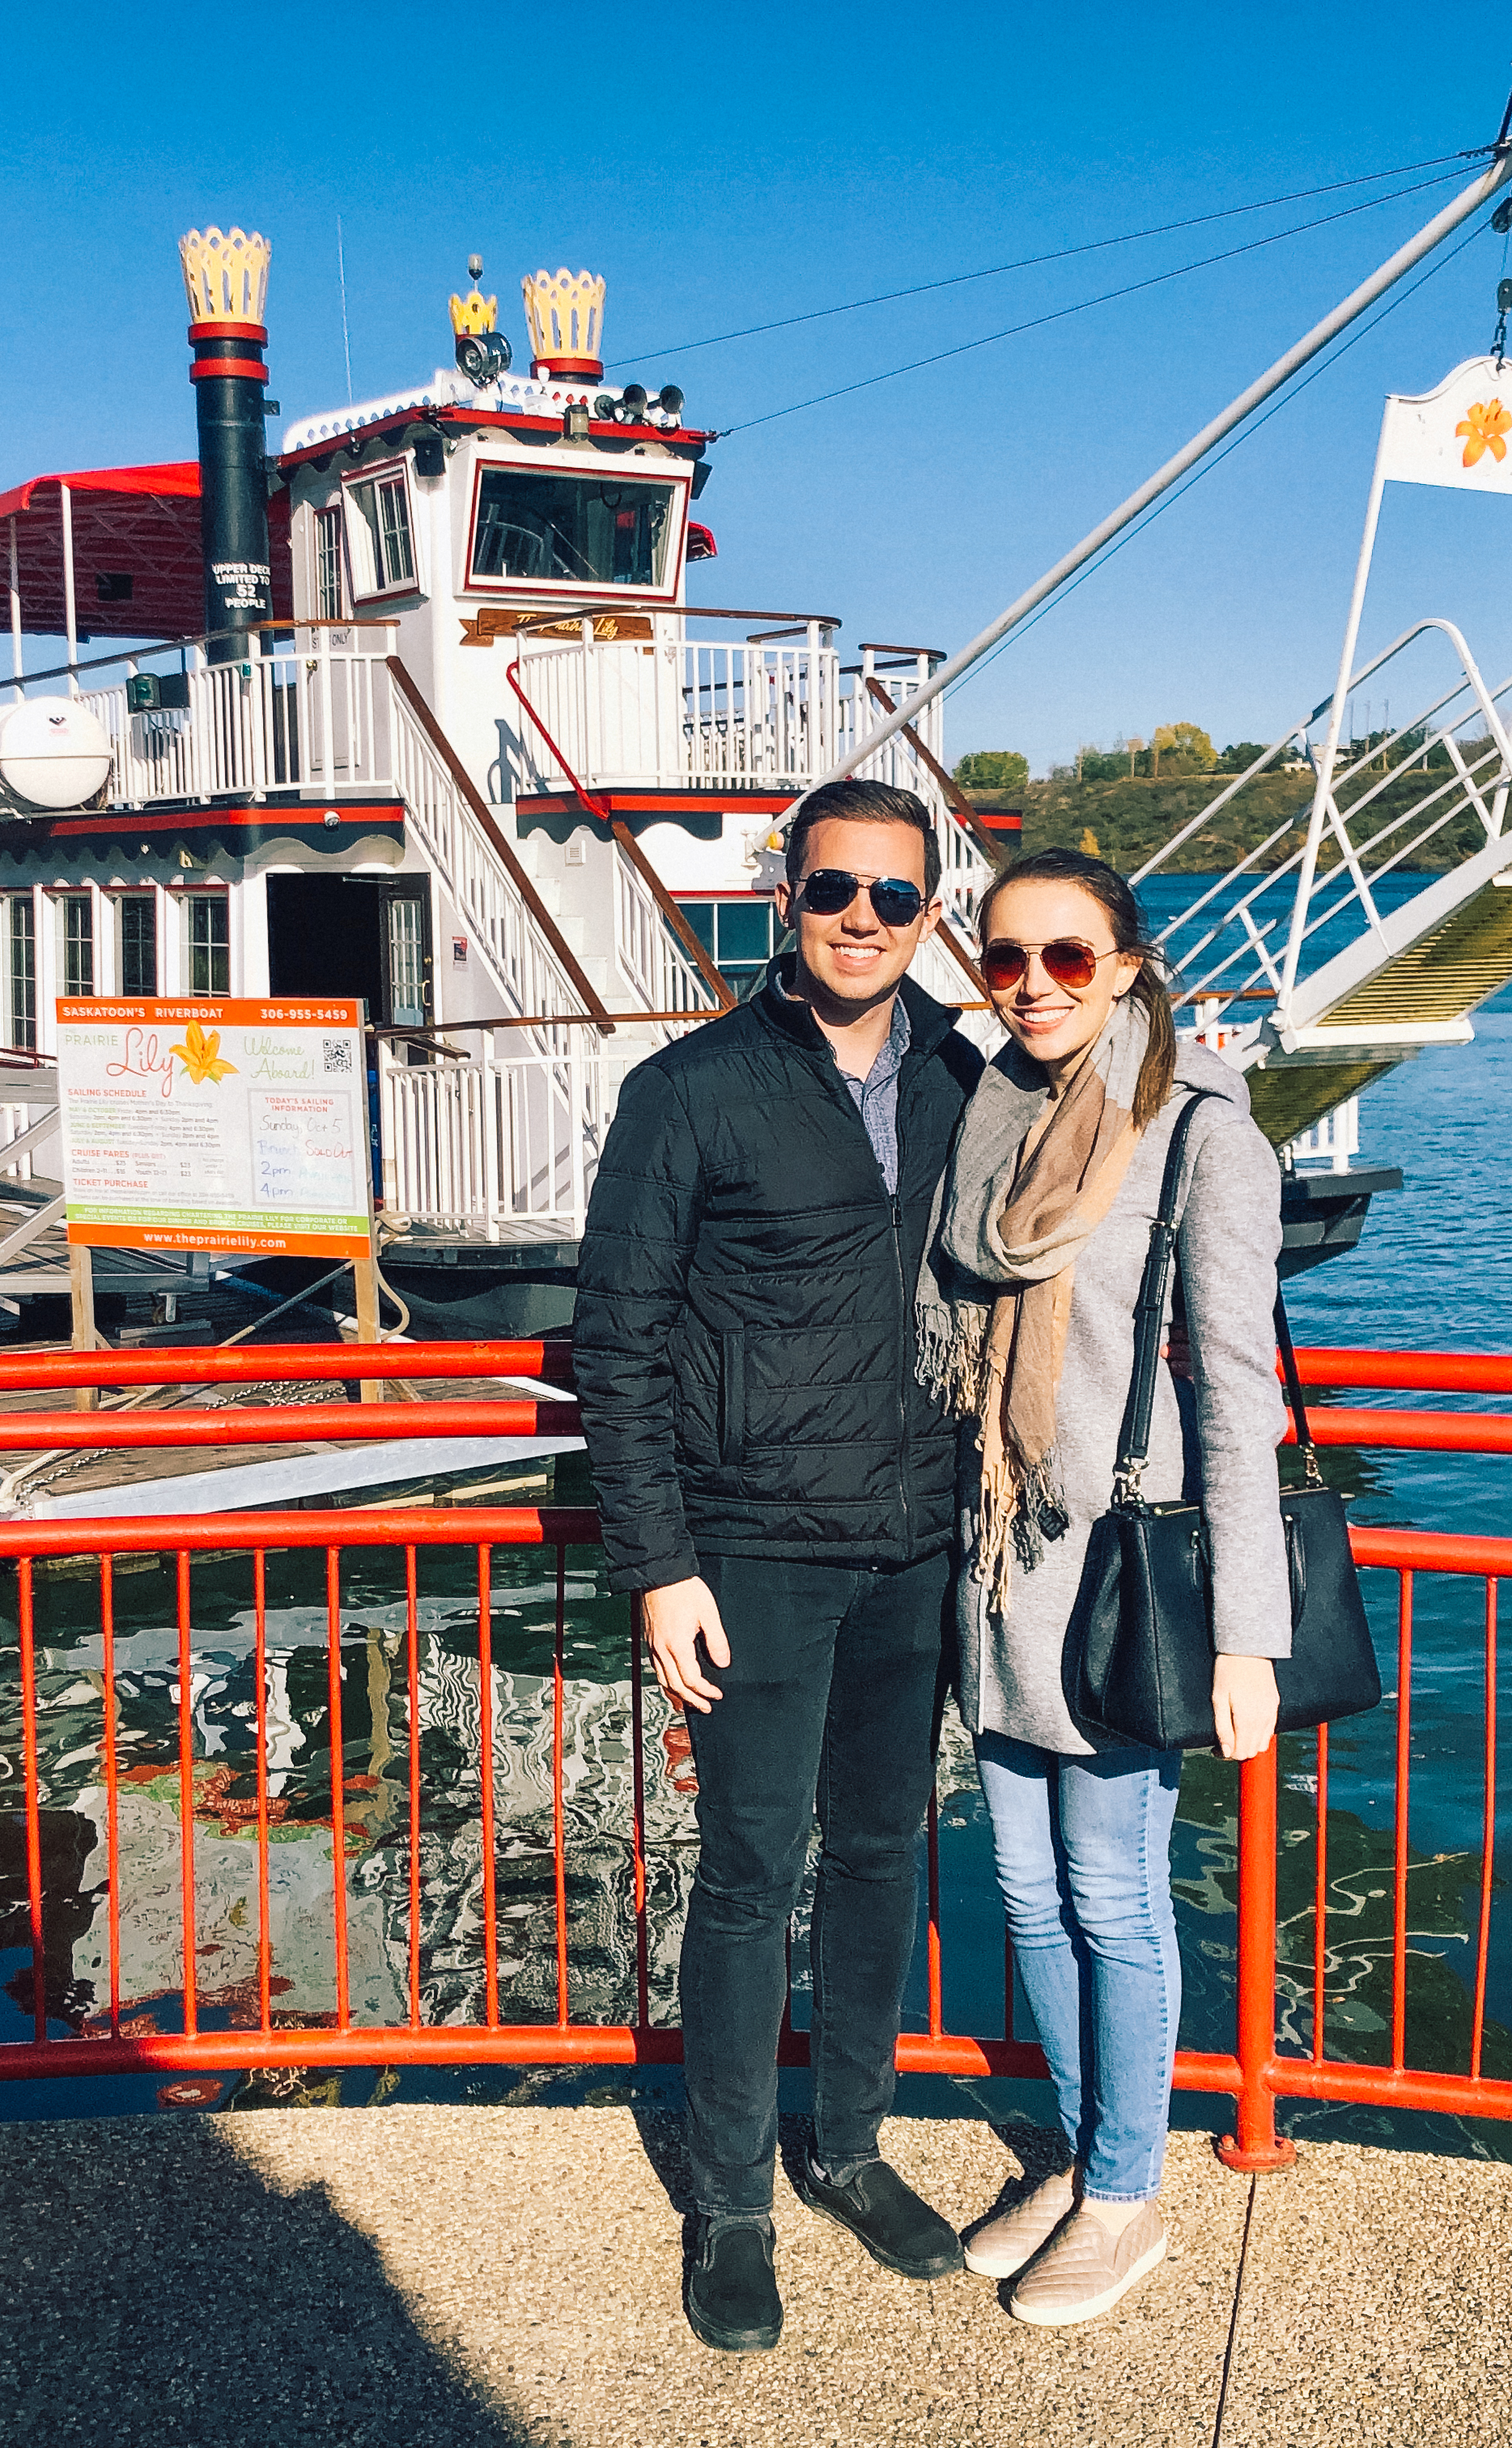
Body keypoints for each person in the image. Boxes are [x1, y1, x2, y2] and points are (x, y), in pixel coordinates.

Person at [571, 777, 986, 2354]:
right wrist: (660, 1564)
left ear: (931, 912)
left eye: (894, 896)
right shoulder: (692, 1090)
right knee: (749, 1878)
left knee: (884, 1854)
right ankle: (733, 2201)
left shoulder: (969, 1077)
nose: (863, 920)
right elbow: (618, 1340)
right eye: (834, 892)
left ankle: (854, 2148)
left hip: (920, 1541)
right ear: (785, 898)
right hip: (752, 1549)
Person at [922, 844, 1288, 2327]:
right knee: (1022, 1893)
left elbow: (1241, 1394)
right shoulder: (987, 1113)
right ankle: (1081, 2155)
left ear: (1127, 965)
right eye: (1005, 961)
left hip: (1115, 1579)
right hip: (989, 1556)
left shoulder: (1200, 1131)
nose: (1033, 988)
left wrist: (1248, 1635)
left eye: (1068, 959)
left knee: (1113, 1896)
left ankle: (1127, 2193)